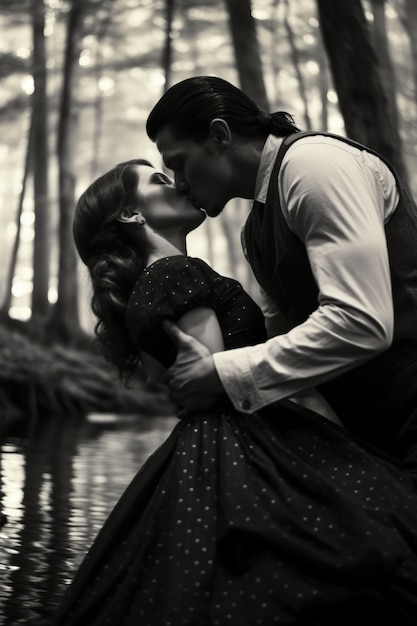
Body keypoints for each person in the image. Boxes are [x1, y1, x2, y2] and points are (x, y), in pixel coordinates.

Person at [47, 158, 417, 626]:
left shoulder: (151, 282)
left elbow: (175, 377)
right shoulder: (173, 272)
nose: (179, 181)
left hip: (216, 445)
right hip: (251, 438)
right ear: (131, 215)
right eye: (160, 179)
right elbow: (212, 376)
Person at [146, 75, 417, 464]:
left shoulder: (315, 166)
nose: (179, 184)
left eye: (179, 164)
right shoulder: (253, 233)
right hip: (376, 439)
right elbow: (287, 347)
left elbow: (362, 322)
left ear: (219, 135)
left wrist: (222, 374)